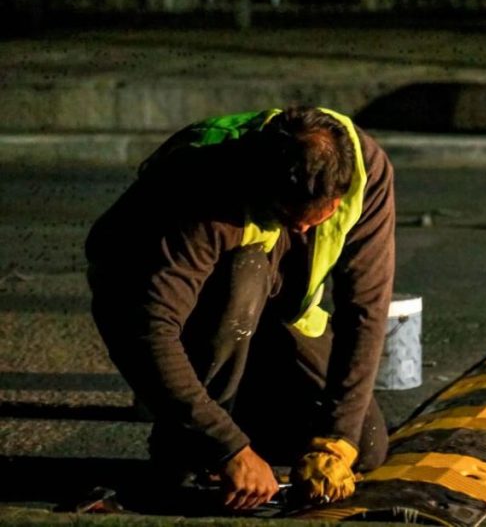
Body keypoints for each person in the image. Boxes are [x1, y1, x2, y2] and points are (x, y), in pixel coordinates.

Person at [86, 106, 395, 511]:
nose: (301, 231)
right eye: (287, 217)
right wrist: (226, 448)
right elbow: (148, 328)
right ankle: (190, 438)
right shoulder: (205, 187)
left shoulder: (368, 171)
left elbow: (365, 310)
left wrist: (336, 441)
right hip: (160, 302)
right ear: (264, 185)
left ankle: (228, 418)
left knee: (365, 444)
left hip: (273, 309)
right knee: (244, 273)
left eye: (314, 220)